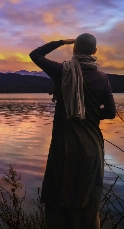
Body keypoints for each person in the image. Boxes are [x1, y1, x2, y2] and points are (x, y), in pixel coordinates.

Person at [29, 33, 116, 229]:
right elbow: (110, 112)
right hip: (91, 147)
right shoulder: (102, 78)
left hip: (64, 146)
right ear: (95, 51)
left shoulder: (62, 71)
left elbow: (35, 54)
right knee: (88, 203)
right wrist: (89, 115)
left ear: (74, 49)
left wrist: (61, 42)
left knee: (57, 203)